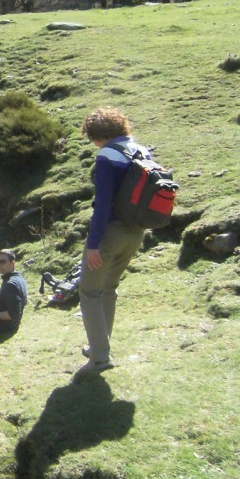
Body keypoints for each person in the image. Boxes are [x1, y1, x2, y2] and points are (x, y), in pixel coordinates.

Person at [76, 107, 149, 378]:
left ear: (99, 135)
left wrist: (93, 244)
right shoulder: (140, 151)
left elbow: (103, 205)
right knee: (109, 288)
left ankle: (99, 357)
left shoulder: (106, 156)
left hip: (111, 233)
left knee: (90, 291)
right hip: (136, 230)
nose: (93, 142)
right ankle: (99, 345)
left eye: (92, 136)